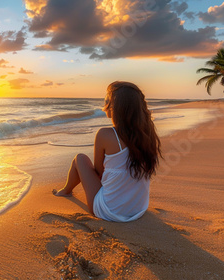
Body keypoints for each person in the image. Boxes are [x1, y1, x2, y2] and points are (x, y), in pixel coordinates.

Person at [52, 81, 162, 222]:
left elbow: (99, 172)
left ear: (115, 107)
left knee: (79, 159)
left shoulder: (105, 135)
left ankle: (65, 191)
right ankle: (66, 191)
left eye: (107, 99)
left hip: (109, 211)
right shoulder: (149, 135)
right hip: (138, 208)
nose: (105, 102)